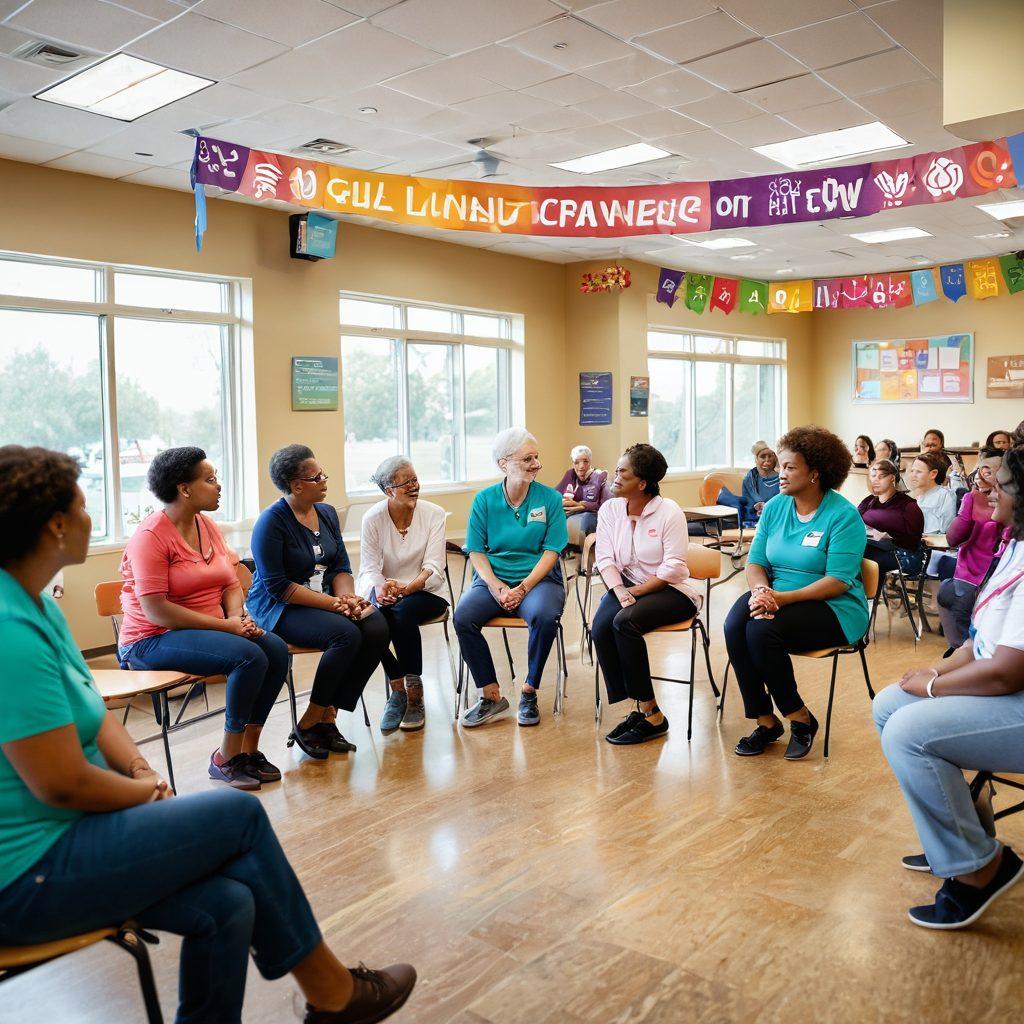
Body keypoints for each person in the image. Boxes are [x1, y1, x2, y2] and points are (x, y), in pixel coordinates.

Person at [0, 445, 416, 1024]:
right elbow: (63, 785)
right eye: (83, 505)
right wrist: (143, 794)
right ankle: (335, 994)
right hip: (25, 873)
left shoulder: (33, 606)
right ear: (54, 525)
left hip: (71, 836)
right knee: (239, 818)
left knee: (229, 903)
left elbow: (91, 710)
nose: (93, 519)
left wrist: (143, 770)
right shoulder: (8, 631)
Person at [872, 446, 1024, 930]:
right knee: (888, 706)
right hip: (998, 680)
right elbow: (980, 639)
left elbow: (1006, 671)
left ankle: (980, 870)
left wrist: (936, 686)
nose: (984, 488)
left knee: (906, 732)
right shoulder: (1013, 541)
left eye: (998, 484)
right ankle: (964, 839)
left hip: (1015, 694)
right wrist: (940, 671)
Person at [117, 447, 288, 791]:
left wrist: (239, 616)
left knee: (276, 649)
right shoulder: (150, 537)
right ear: (184, 489)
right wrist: (229, 627)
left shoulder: (206, 524)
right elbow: (156, 610)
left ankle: (247, 750)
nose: (219, 486)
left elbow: (229, 583)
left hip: (211, 629)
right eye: (210, 480)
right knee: (249, 656)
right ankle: (226, 758)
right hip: (150, 640)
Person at [724, 426, 868, 761]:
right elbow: (755, 562)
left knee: (761, 629)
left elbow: (839, 580)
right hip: (777, 596)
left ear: (815, 474)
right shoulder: (775, 508)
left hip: (834, 606)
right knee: (735, 624)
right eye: (781, 466)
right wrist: (761, 591)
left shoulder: (843, 516)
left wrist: (781, 599)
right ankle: (765, 720)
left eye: (790, 468)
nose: (781, 474)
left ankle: (799, 717)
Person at [248, 445, 388, 760]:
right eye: (317, 477)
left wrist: (347, 598)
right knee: (346, 634)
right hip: (278, 607)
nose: (325, 481)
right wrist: (335, 606)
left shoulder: (326, 513)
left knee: (376, 625)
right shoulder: (271, 523)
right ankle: (312, 718)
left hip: (321, 600)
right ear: (297, 485)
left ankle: (327, 716)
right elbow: (278, 586)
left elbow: (339, 565)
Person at [454, 427, 568, 728]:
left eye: (537, 457)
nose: (536, 465)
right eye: (527, 458)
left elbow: (551, 552)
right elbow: (476, 551)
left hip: (539, 581)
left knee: (543, 617)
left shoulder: (550, 499)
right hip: (495, 580)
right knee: (463, 617)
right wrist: (498, 586)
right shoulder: (485, 500)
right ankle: (491, 695)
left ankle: (529, 691)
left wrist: (522, 588)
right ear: (503, 464)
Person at [592, 444, 699, 745]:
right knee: (600, 628)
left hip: (672, 591)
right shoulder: (611, 509)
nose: (614, 477)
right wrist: (618, 590)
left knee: (624, 622)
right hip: (625, 585)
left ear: (641, 483)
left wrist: (633, 593)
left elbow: (674, 567)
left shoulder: (669, 512)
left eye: (622, 473)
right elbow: (605, 558)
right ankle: (636, 705)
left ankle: (652, 714)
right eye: (616, 470)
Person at [357, 456, 448, 733]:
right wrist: (381, 586)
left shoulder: (434, 514)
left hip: (426, 589)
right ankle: (397, 689)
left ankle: (414, 692)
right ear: (388, 491)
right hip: (384, 588)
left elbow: (433, 564)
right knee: (370, 618)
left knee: (403, 611)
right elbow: (370, 566)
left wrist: (409, 587)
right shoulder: (372, 518)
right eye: (406, 482)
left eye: (415, 479)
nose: (414, 486)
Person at [938, 450, 1007, 649]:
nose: (980, 477)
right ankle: (959, 651)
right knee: (953, 595)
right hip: (967, 575)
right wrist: (969, 505)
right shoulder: (971, 498)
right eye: (979, 471)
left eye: (988, 472)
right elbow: (953, 538)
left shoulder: (1010, 506)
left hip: (994, 579)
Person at [858, 458, 925, 576]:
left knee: (866, 557)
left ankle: (868, 594)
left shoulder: (908, 505)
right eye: (873, 476)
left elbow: (914, 541)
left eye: (881, 476)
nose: (875, 480)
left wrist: (890, 538)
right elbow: (853, 521)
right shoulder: (869, 501)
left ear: (892, 478)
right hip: (870, 546)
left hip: (901, 555)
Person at [553, 444, 610, 541]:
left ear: (590, 461)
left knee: (588, 518)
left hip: (594, 513)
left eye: (585, 461)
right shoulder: (570, 474)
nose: (581, 466)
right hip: (573, 512)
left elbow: (605, 505)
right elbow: (555, 495)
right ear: (573, 463)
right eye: (577, 462)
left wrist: (579, 505)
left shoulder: (599, 476)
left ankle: (586, 552)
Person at [908, 452, 958, 535]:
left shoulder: (945, 495)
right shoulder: (910, 496)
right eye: (912, 471)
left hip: (932, 544)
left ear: (933, 474)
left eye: (918, 472)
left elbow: (946, 528)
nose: (913, 475)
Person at [740, 441, 780, 527]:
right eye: (762, 456)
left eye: (770, 456)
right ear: (756, 459)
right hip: (754, 521)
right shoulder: (750, 479)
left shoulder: (783, 478)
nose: (767, 460)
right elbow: (750, 507)